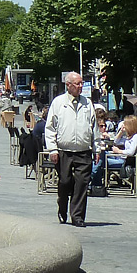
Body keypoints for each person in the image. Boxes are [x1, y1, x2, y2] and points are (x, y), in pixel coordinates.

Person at [45, 72, 97, 227]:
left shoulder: (87, 103)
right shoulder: (58, 102)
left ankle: (77, 217)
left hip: (83, 150)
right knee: (65, 182)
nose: (81, 86)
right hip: (64, 150)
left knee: (82, 184)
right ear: (68, 85)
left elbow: (94, 127)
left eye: (82, 83)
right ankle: (62, 205)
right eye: (77, 83)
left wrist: (97, 148)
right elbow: (50, 127)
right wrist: (52, 149)